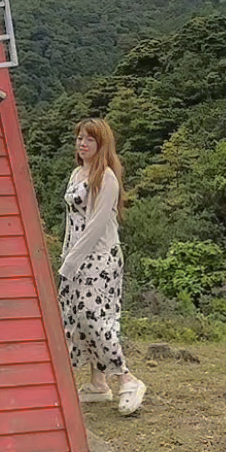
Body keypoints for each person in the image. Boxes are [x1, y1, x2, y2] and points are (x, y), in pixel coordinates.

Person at [59, 118, 147, 416]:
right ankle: (98, 384)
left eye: (89, 140)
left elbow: (95, 228)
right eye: (80, 138)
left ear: (102, 144)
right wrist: (67, 257)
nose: (82, 143)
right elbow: (72, 223)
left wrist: (69, 264)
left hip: (100, 259)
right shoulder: (75, 174)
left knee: (93, 315)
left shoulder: (106, 177)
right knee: (75, 318)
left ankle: (127, 378)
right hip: (75, 256)